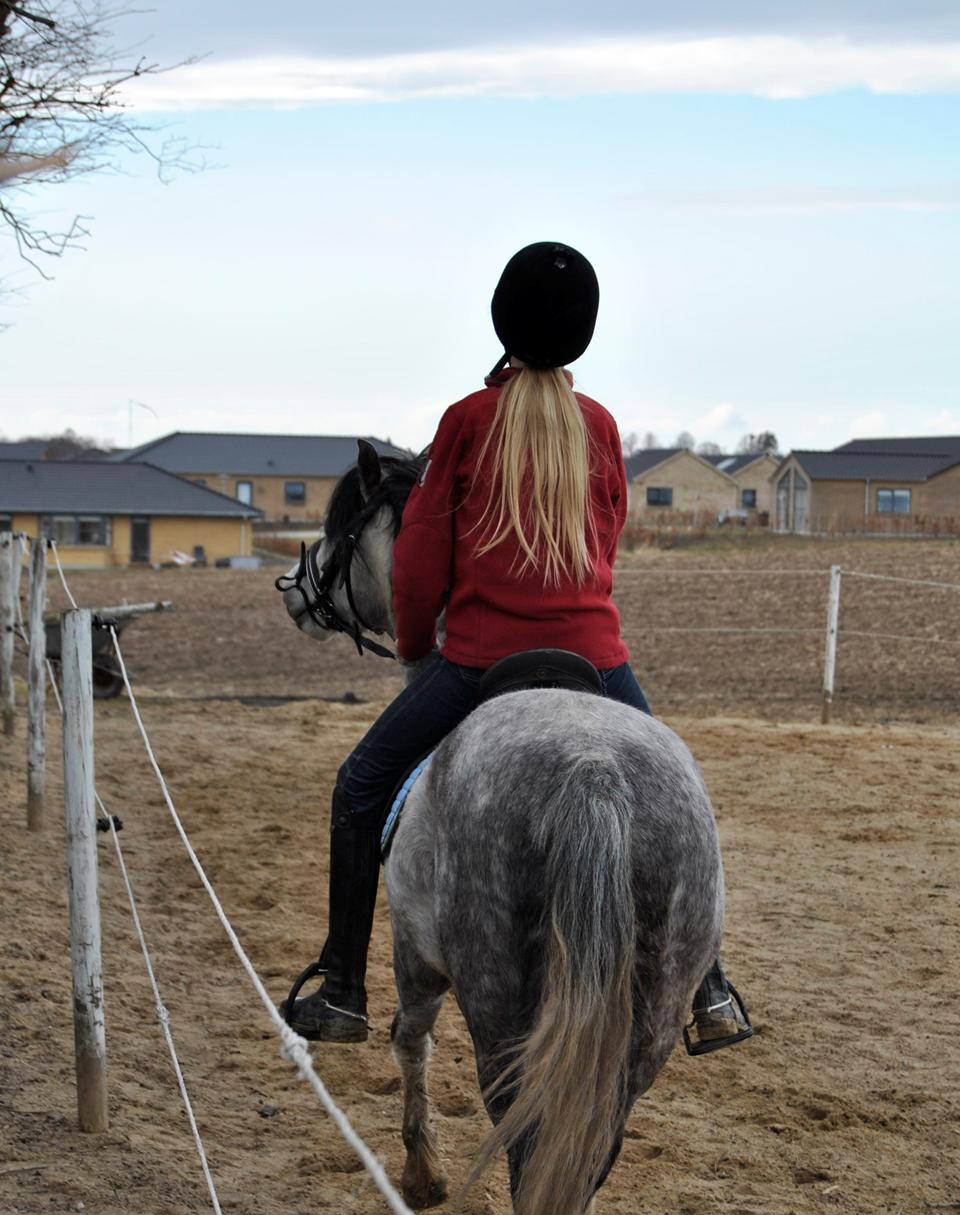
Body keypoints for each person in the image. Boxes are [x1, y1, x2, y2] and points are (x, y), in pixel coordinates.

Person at [285, 241, 750, 1052]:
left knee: (360, 788)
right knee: (684, 793)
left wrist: (416, 643)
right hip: (595, 657)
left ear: (503, 318)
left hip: (475, 660)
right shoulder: (599, 426)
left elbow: (421, 557)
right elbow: (604, 541)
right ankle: (708, 992)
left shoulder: (467, 420)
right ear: (583, 332)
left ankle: (345, 988)